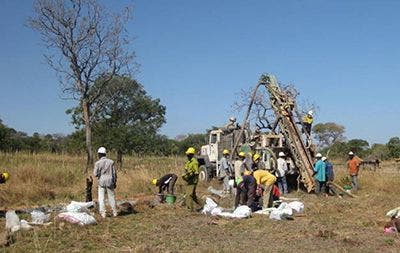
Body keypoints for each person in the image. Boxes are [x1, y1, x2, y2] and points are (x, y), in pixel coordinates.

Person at [93, 147, 118, 218]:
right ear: (105, 153)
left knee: (101, 198)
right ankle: (115, 212)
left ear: (99, 154)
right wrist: (115, 181)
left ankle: (103, 214)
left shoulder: (97, 163)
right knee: (112, 197)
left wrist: (99, 173)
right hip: (110, 181)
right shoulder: (111, 162)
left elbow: (95, 174)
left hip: (101, 182)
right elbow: (114, 173)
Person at [182, 147, 202, 211]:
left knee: (189, 195)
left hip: (193, 181)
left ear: (191, 154)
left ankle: (190, 209)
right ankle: (203, 204)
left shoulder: (194, 162)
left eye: (188, 154)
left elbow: (196, 173)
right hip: (189, 180)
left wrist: (190, 174)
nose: (187, 155)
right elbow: (186, 169)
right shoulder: (189, 162)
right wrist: (186, 174)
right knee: (193, 196)